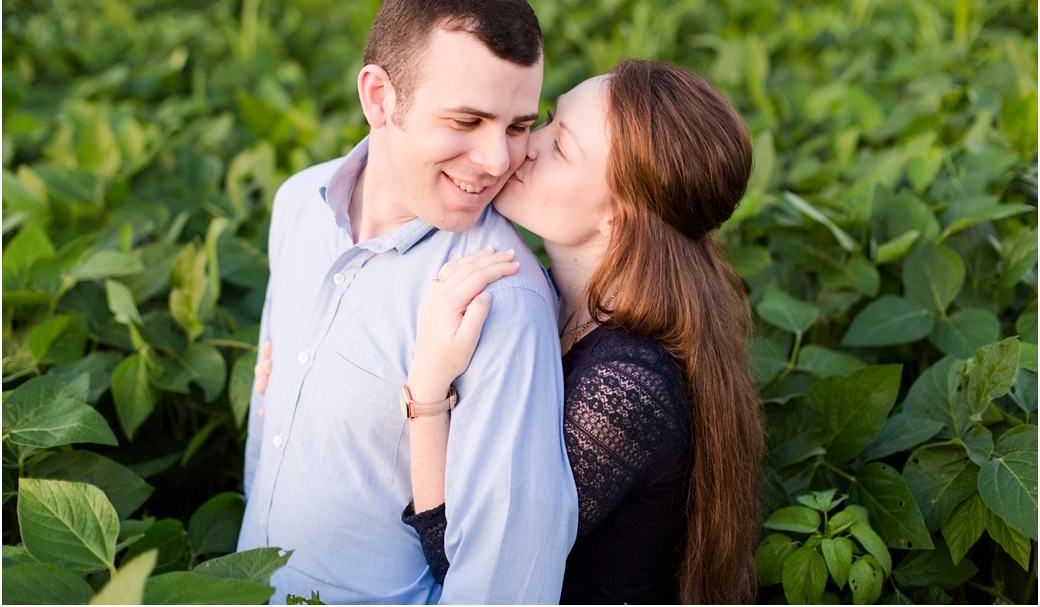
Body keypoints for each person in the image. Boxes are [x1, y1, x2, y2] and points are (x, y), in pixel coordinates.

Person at [257, 61, 767, 603]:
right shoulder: (555, 304)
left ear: (619, 218)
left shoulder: (627, 392)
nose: (519, 150)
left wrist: (428, 392)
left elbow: (466, 557)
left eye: (561, 147)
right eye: (546, 120)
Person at [238, 0, 578, 604]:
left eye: (516, 126)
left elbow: (504, 584)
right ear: (379, 98)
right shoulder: (299, 205)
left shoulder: (500, 298)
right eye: (466, 121)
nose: (497, 160)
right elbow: (270, 433)